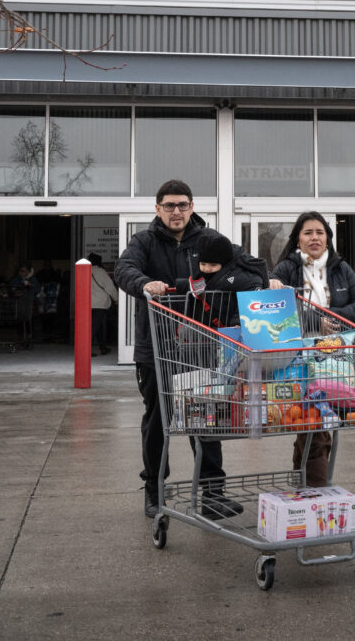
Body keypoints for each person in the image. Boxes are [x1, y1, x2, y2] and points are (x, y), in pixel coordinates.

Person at [114, 180, 254, 520]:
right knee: (158, 420)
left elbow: (245, 263)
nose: (176, 211)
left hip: (200, 347)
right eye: (169, 205)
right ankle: (155, 490)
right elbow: (124, 269)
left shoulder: (208, 240)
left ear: (192, 207)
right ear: (157, 208)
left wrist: (267, 279)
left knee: (207, 420)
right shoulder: (143, 241)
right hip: (157, 349)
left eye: (182, 205)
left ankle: (212, 493)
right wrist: (144, 283)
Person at [267, 211, 355, 488]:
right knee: (316, 422)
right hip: (297, 356)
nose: (315, 238)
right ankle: (314, 490)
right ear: (297, 239)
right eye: (308, 233)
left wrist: (332, 318)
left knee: (315, 422)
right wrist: (315, 320)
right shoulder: (286, 269)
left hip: (332, 356)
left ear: (328, 238)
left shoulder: (339, 268)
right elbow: (279, 308)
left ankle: (305, 485)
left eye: (320, 232)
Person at [86, 253, 118, 356]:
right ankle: (86, 351)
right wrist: (117, 299)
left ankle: (103, 347)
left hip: (87, 304)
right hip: (100, 304)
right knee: (95, 327)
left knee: (99, 326)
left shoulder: (85, 271)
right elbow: (110, 287)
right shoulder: (100, 272)